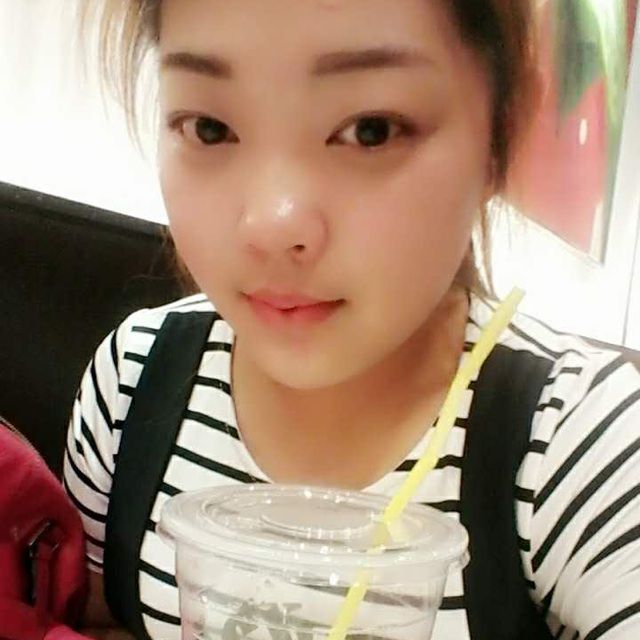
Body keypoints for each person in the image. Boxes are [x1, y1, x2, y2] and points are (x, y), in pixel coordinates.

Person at [64, 1, 640, 639]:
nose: (272, 224)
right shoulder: (133, 380)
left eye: (371, 130)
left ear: (499, 137)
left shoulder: (581, 443)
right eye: (209, 128)